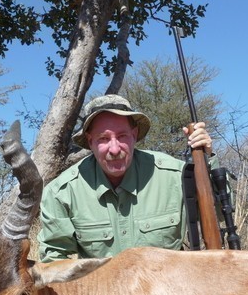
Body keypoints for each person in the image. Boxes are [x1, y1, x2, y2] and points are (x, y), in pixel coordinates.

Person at [37, 94, 218, 261]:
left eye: (122, 136)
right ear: (90, 141)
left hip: (168, 290)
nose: (114, 149)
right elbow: (54, 258)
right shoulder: (61, 192)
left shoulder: (177, 175)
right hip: (103, 293)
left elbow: (219, 213)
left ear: (134, 135)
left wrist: (206, 158)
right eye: (103, 139)